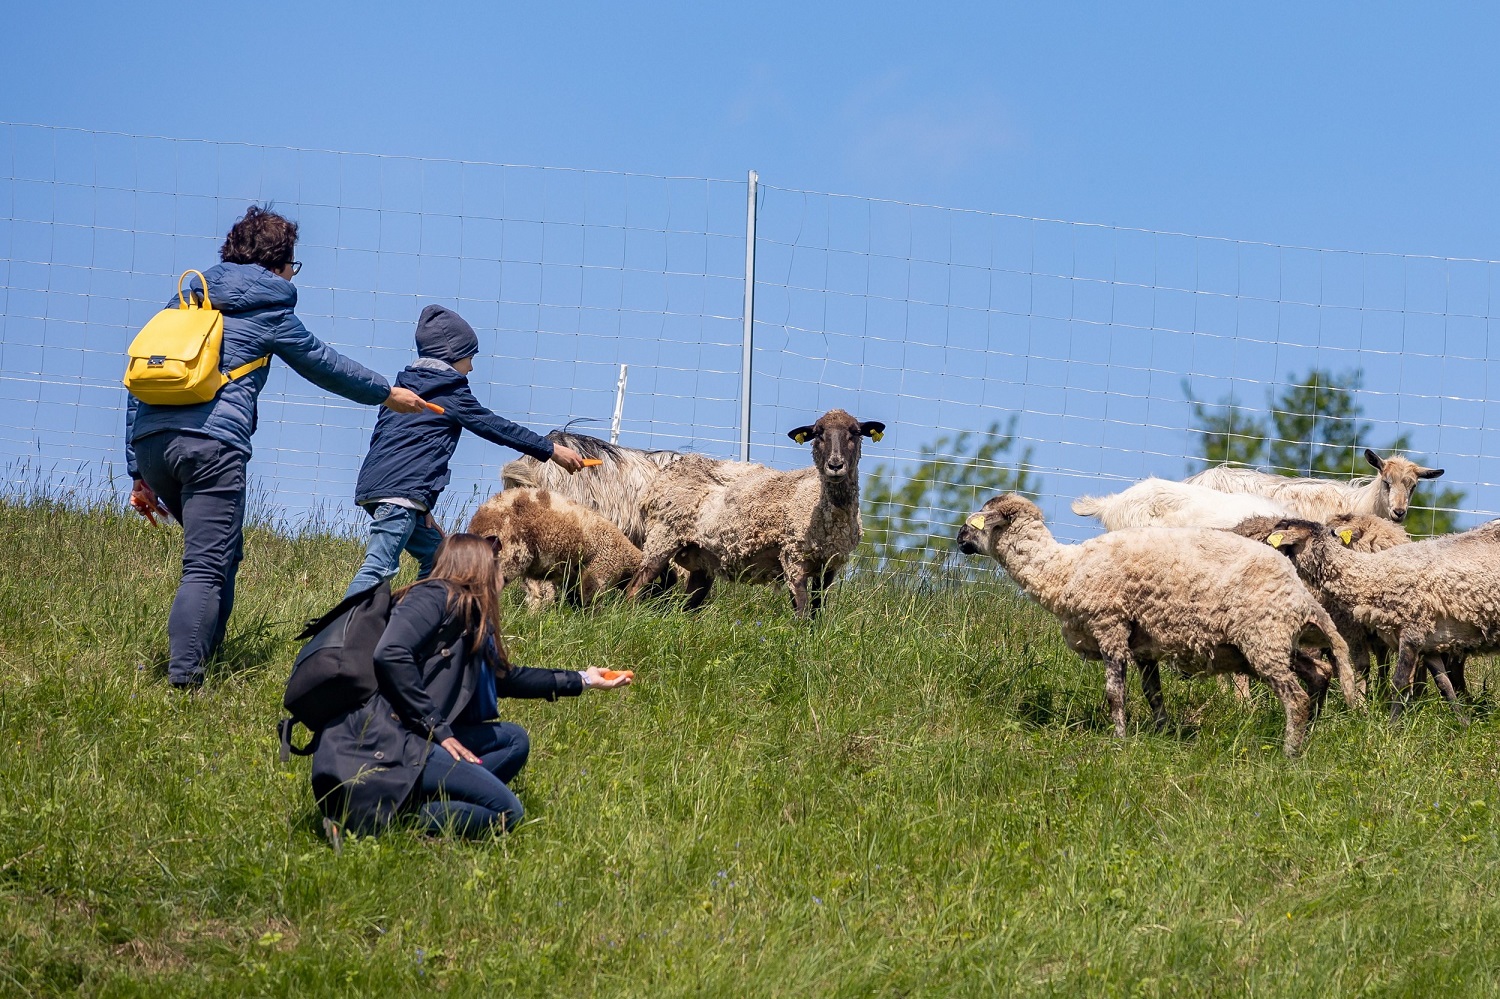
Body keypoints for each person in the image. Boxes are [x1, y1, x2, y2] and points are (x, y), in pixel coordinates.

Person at [127, 205, 429, 689]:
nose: (293, 273)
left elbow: (139, 378)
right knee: (206, 564)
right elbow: (322, 363)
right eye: (293, 264)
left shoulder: (185, 300)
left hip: (152, 443)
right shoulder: (270, 308)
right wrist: (385, 392)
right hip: (212, 448)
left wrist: (137, 470)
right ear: (277, 263)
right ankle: (185, 682)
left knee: (223, 553)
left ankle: (204, 657)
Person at [311, 533, 630, 837]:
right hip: (384, 744)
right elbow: (391, 653)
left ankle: (421, 803)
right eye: (496, 565)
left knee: (514, 741)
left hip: (414, 737)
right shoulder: (433, 596)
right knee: (508, 813)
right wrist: (438, 728)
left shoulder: (466, 616)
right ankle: (377, 819)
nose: (502, 575)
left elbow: (506, 677)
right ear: (475, 567)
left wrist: (584, 679)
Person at [342, 304, 584, 598]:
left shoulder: (403, 389)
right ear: (453, 355)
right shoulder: (449, 391)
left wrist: (423, 504)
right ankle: (343, 633)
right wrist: (551, 449)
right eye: (470, 357)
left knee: (438, 561)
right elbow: (495, 426)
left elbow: (392, 443)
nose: (471, 366)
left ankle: (413, 621)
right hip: (400, 494)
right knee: (379, 567)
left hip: (383, 487)